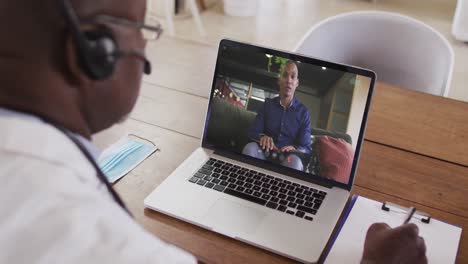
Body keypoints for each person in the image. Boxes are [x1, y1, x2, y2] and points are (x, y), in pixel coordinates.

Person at [0, 0, 427, 263]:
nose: (146, 47)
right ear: (96, 53)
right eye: (143, 29)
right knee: (249, 152)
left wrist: (287, 144)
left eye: (295, 78)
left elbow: (305, 144)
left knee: (295, 160)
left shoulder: (301, 113)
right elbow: (255, 132)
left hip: (292, 162)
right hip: (260, 158)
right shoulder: (102, 246)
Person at [242, 61, 311, 171]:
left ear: (297, 83)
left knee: (296, 163)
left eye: (293, 77)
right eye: (285, 75)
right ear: (279, 80)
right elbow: (252, 132)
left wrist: (295, 148)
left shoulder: (303, 113)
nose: (289, 80)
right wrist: (262, 137)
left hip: (287, 159)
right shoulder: (267, 105)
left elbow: (306, 148)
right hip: (263, 154)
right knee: (250, 148)